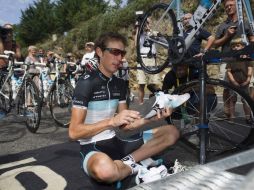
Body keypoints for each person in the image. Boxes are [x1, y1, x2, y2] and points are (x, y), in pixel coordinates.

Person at [69, 32, 189, 184]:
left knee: (171, 132)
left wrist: (152, 118)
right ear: (99, 52)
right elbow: (73, 132)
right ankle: (139, 167)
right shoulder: (86, 83)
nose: (119, 58)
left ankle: (129, 165)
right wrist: (111, 122)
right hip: (92, 148)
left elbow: (126, 126)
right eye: (114, 52)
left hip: (117, 143)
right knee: (105, 171)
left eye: (122, 53)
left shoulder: (119, 83)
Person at [213, 0, 254, 117]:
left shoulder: (245, 23)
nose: (228, 8)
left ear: (237, 7)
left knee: (249, 87)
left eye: (231, 5)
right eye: (226, 6)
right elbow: (215, 44)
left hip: (245, 61)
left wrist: (249, 51)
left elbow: (252, 39)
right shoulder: (223, 25)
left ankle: (249, 113)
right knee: (227, 88)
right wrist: (227, 35)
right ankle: (228, 113)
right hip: (226, 60)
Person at [226, 37, 253, 123]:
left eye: (238, 45)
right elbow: (228, 71)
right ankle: (232, 117)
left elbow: (250, 69)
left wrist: (248, 80)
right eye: (233, 46)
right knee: (232, 100)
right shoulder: (231, 59)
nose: (235, 48)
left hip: (245, 83)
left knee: (246, 101)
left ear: (243, 47)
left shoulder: (247, 57)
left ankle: (248, 117)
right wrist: (233, 81)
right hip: (233, 83)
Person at [135, 17, 161, 105]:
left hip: (152, 59)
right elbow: (135, 44)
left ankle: (154, 102)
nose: (145, 24)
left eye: (147, 22)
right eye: (144, 22)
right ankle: (140, 103)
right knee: (141, 84)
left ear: (151, 23)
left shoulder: (153, 33)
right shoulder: (139, 34)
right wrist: (138, 27)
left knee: (153, 83)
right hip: (142, 59)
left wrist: (149, 29)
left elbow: (159, 37)